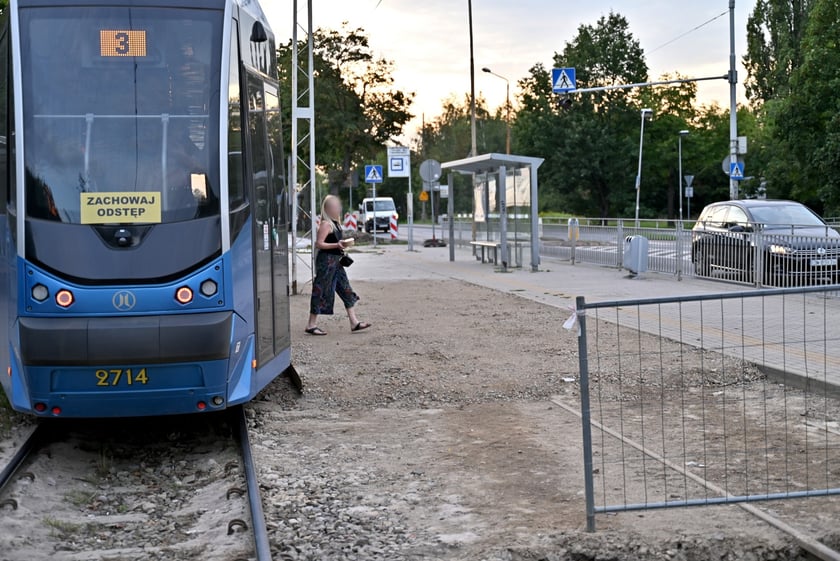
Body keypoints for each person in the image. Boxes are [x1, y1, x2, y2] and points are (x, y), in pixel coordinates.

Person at [306, 195, 371, 336]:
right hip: (326, 263)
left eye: (338, 206)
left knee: (346, 289)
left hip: (336, 262)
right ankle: (311, 324)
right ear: (328, 209)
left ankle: (354, 322)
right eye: (335, 207)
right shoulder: (326, 224)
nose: (338, 209)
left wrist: (342, 245)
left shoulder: (335, 223)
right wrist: (337, 245)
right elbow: (319, 244)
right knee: (321, 290)